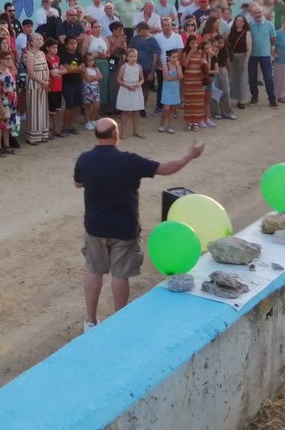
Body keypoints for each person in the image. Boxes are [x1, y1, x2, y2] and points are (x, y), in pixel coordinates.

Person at [74, 119, 204, 331]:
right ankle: (119, 321)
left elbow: (78, 182)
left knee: (94, 271)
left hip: (95, 226)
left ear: (96, 136)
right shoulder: (129, 161)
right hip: (123, 227)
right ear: (117, 135)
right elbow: (165, 169)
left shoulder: (85, 159)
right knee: (120, 275)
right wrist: (189, 156)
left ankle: (90, 320)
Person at [246, 2, 279, 109]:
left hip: (265, 55)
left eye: (259, 12)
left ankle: (272, 99)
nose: (258, 14)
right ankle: (254, 97)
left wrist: (271, 50)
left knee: (268, 77)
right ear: (252, 14)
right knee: (252, 78)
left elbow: (273, 39)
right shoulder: (249, 25)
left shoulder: (269, 24)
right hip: (252, 55)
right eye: (255, 13)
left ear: (262, 12)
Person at [23, 33, 51, 145]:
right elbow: (31, 72)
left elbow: (47, 68)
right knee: (34, 109)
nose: (40, 40)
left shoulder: (42, 53)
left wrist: (47, 80)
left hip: (43, 84)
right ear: (31, 42)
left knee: (43, 108)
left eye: (41, 39)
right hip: (34, 84)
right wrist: (42, 82)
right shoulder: (28, 54)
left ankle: (43, 134)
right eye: (37, 39)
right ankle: (34, 136)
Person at [115, 47, 146, 138]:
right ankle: (122, 132)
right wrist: (128, 86)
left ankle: (136, 130)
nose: (133, 58)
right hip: (126, 89)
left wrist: (138, 84)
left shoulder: (139, 67)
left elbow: (142, 78)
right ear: (127, 57)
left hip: (136, 89)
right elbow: (118, 79)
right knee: (125, 112)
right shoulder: (124, 67)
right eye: (131, 56)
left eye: (135, 56)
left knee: (136, 111)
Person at [181, 36, 210, 131]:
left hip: (198, 80)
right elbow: (184, 64)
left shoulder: (202, 53)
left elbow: (206, 67)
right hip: (188, 80)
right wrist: (190, 52)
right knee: (189, 101)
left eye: (196, 43)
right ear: (188, 44)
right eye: (192, 43)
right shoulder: (185, 52)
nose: (194, 45)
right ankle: (189, 122)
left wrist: (207, 58)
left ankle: (196, 122)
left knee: (198, 101)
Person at [0, 49, 18, 157]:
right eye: (6, 58)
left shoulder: (11, 72)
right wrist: (0, 105)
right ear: (0, 60)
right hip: (3, 101)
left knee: (8, 124)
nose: (9, 60)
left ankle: (6, 144)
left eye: (10, 58)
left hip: (12, 101)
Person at [58, 34, 84, 136]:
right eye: (71, 43)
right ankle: (65, 127)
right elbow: (67, 70)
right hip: (67, 84)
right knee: (69, 105)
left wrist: (73, 70)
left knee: (77, 106)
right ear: (66, 45)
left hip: (78, 83)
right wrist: (77, 70)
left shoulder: (78, 55)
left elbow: (83, 69)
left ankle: (71, 126)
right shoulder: (64, 56)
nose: (74, 45)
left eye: (75, 43)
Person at [226, 14, 252, 110]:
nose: (239, 22)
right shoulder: (230, 31)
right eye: (237, 20)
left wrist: (246, 60)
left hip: (242, 56)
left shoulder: (247, 33)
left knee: (243, 78)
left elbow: (249, 48)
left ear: (244, 22)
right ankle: (235, 97)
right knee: (234, 78)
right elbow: (226, 42)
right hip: (233, 57)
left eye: (241, 20)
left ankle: (242, 100)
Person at [159, 48, 183, 133]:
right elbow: (167, 78)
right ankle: (162, 124)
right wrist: (177, 78)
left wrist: (178, 67)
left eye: (176, 57)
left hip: (175, 90)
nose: (175, 59)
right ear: (169, 57)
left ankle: (169, 126)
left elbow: (181, 76)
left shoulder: (178, 66)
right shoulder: (165, 66)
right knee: (166, 108)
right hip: (167, 90)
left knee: (173, 108)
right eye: (173, 57)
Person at [81, 53, 102, 131]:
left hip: (95, 88)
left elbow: (101, 76)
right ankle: (88, 121)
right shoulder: (84, 69)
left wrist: (93, 77)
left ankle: (93, 120)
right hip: (88, 88)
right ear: (85, 61)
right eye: (89, 60)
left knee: (96, 106)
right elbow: (88, 79)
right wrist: (95, 77)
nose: (91, 62)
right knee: (88, 106)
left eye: (92, 60)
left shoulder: (95, 68)